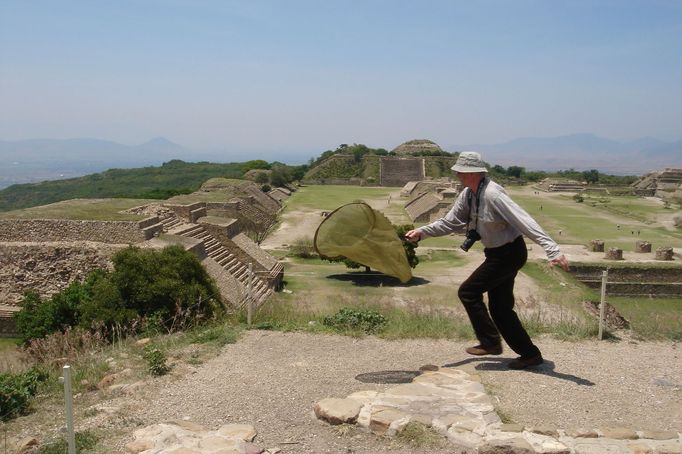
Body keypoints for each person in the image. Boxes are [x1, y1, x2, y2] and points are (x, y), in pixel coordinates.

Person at [405, 151, 569, 370]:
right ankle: (530, 355)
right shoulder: (468, 194)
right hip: (496, 254)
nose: (457, 175)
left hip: (509, 253)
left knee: (468, 292)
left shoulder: (493, 194)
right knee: (500, 309)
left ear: (472, 173)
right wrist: (422, 232)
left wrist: (552, 250)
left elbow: (524, 221)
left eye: (460, 172)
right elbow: (450, 222)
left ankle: (490, 342)